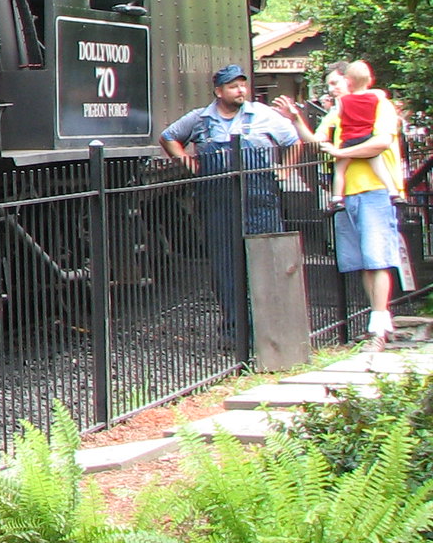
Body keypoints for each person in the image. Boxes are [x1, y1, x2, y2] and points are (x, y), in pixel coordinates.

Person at [161, 65, 301, 347]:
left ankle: (270, 331)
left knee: (265, 261)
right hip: (217, 200)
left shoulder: (264, 115)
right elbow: (168, 137)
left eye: (242, 86)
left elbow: (293, 142)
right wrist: (188, 164)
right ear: (219, 92)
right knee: (225, 265)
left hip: (259, 199)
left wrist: (284, 171)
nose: (240, 91)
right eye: (233, 87)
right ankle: (233, 330)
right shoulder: (200, 120)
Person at [275, 60, 405, 346]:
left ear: (350, 80)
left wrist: (341, 151)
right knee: (362, 262)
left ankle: (379, 324)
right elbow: (316, 142)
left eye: (335, 83)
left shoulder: (378, 103)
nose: (331, 89)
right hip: (349, 195)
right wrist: (296, 119)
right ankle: (379, 322)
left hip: (374, 190)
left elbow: (381, 142)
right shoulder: (338, 110)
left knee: (377, 259)